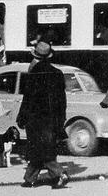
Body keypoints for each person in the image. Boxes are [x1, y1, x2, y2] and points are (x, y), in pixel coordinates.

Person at [18, 41, 70, 188]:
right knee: (44, 147)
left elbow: (28, 98)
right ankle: (30, 178)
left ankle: (60, 173)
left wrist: (22, 116)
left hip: (36, 118)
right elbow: (62, 99)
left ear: (36, 56)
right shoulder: (57, 73)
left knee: (39, 149)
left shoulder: (34, 73)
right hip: (53, 118)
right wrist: (61, 118)